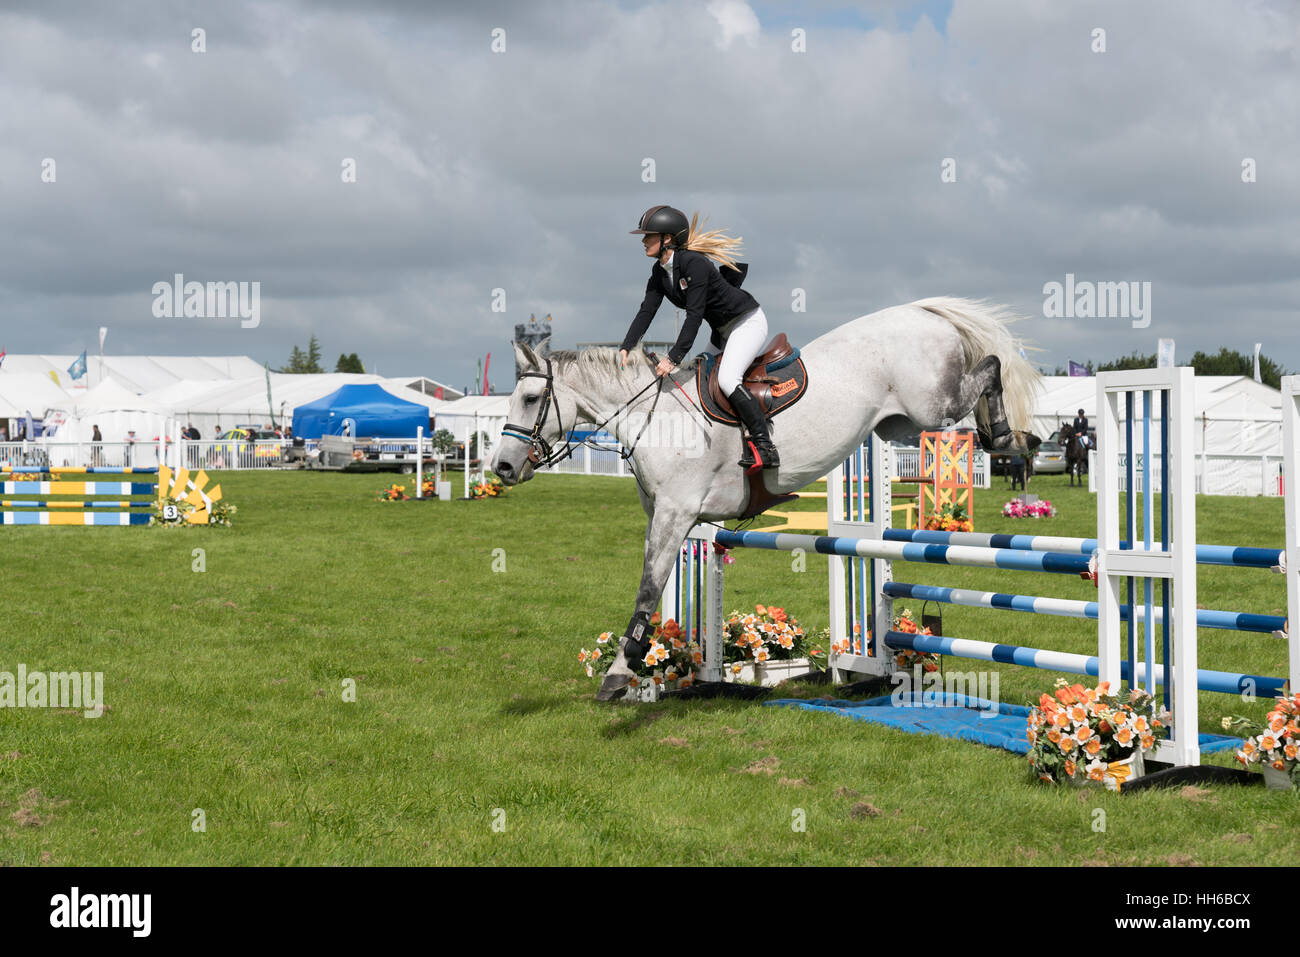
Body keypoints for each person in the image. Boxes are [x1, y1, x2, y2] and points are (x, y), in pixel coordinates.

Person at [619, 205, 778, 469]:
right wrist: (626, 346)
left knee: (727, 379)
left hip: (747, 322)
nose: (643, 241)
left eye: (649, 235)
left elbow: (694, 316)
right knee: (698, 378)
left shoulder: (694, 263)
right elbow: (647, 310)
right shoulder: (659, 272)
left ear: (667, 239)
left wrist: (672, 358)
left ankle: (765, 446)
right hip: (722, 332)